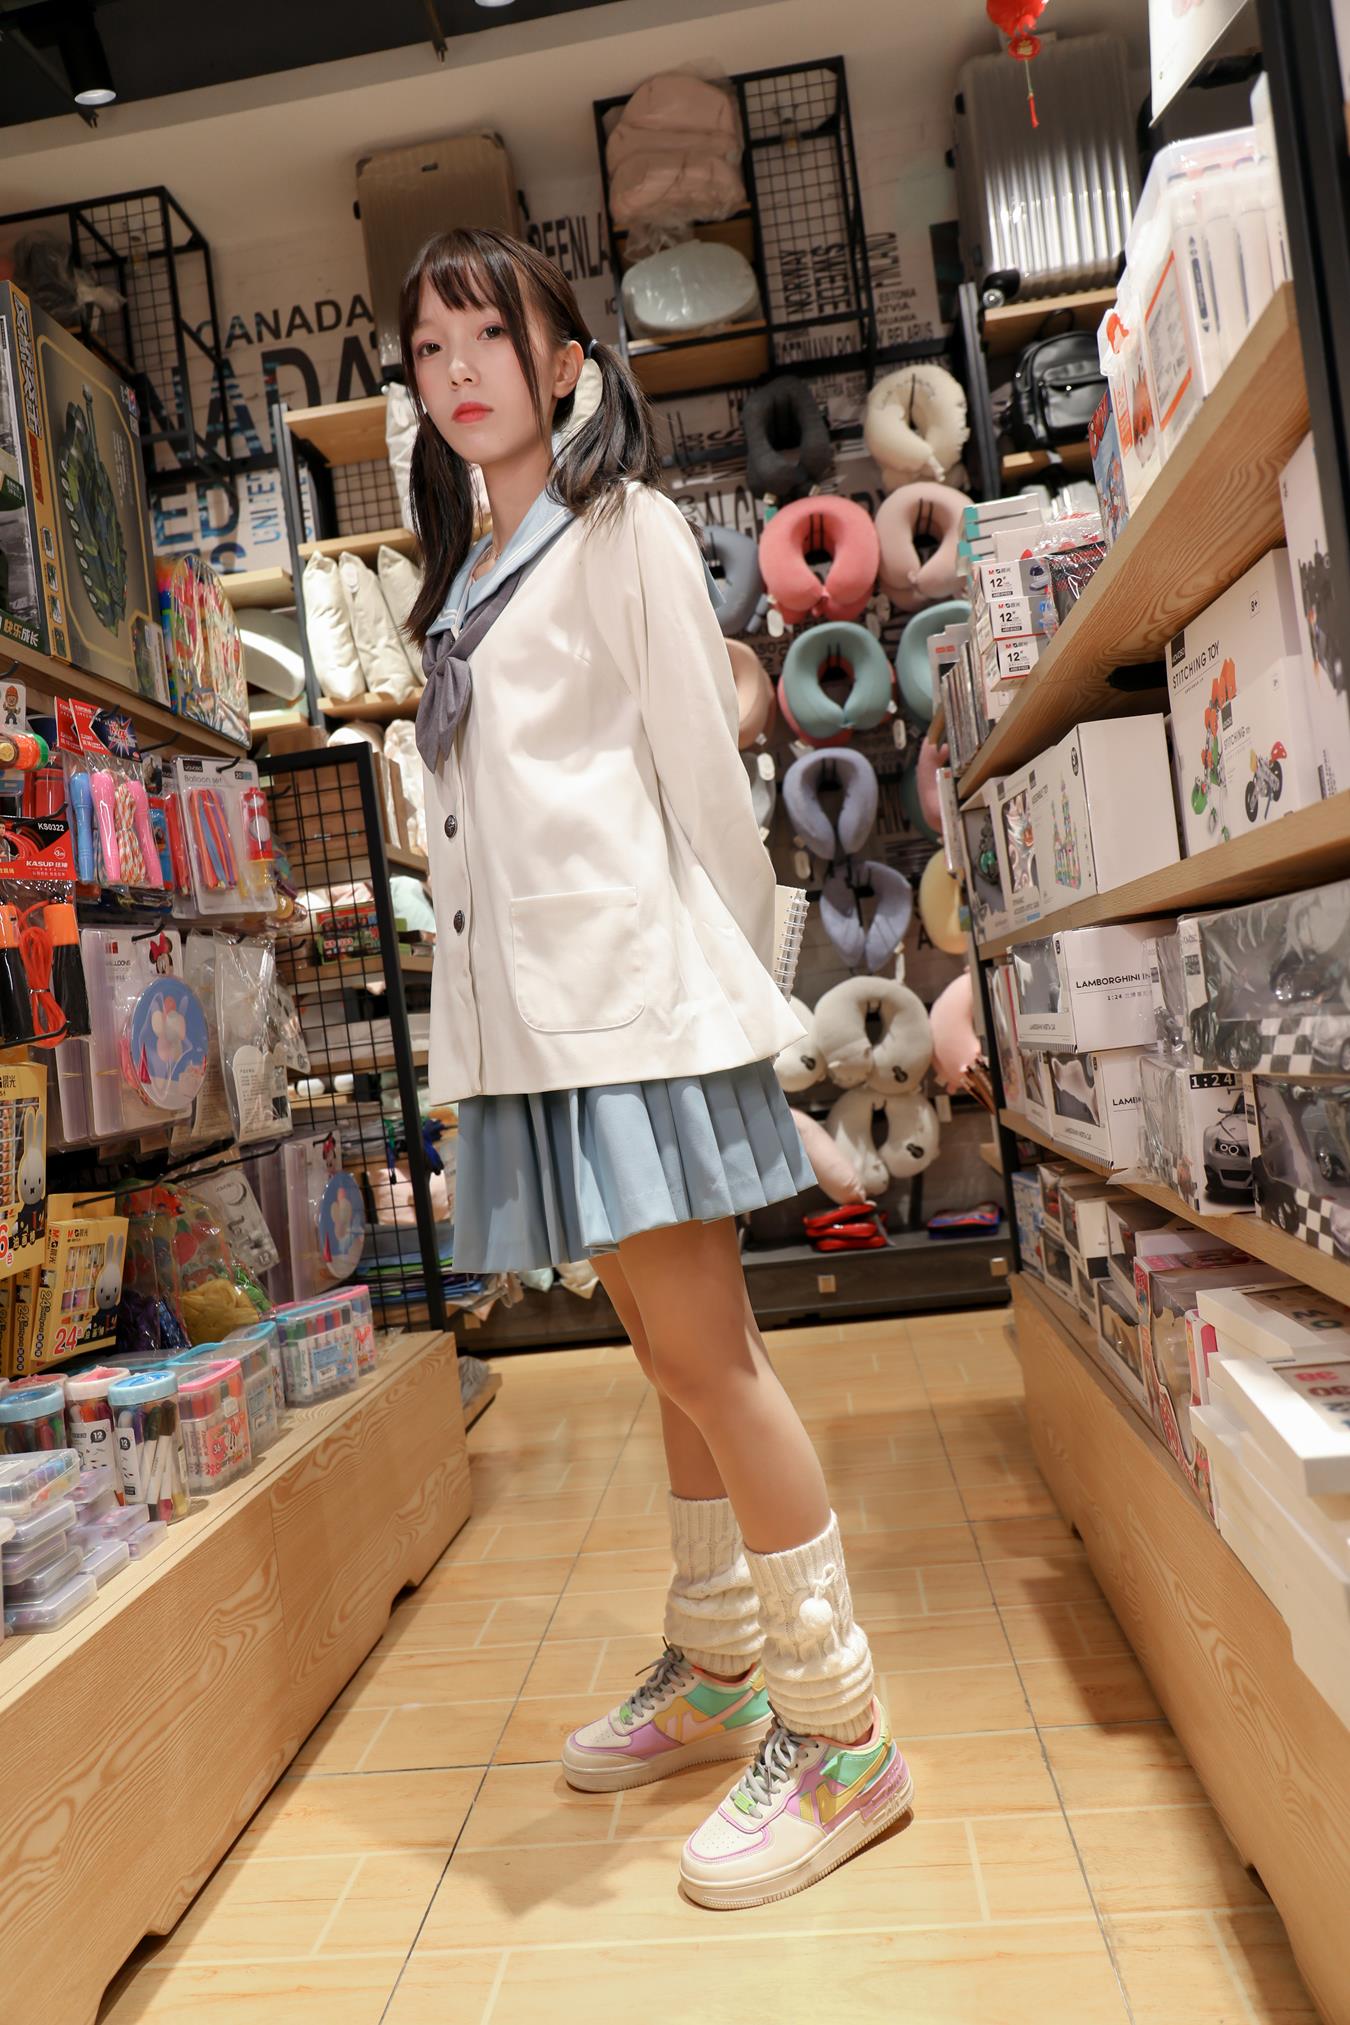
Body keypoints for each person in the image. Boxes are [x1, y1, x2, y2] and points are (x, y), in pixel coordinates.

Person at [403, 227, 913, 1910]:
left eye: (489, 337)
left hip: (630, 1008)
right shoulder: (467, 569)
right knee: (666, 1358)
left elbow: (703, 777)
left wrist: (746, 1006)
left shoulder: (616, 529)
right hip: (541, 1027)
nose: (458, 371)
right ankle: (715, 1660)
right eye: (429, 350)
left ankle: (838, 1731)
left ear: (562, 364)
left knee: (711, 1358)